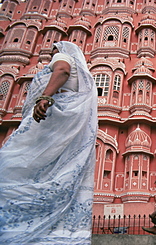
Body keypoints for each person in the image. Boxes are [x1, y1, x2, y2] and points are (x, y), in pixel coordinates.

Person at [0, 41, 98, 244]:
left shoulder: (62, 58)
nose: (49, 52)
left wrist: (44, 97)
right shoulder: (82, 76)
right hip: (66, 125)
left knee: (12, 163)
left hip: (48, 119)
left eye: (53, 49)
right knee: (60, 175)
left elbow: (61, 71)